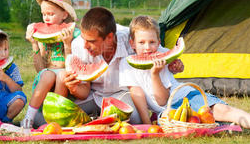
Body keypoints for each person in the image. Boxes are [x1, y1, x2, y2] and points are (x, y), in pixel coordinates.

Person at [119, 15, 250, 137]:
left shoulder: (163, 54)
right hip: (167, 113)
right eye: (141, 43)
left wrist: (167, 70)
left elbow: (163, 97)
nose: (148, 48)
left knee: (221, 110)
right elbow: (139, 95)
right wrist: (147, 125)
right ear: (132, 43)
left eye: (152, 42)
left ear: (159, 42)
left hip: (186, 95)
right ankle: (224, 126)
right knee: (196, 125)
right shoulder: (126, 65)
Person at [39, 7, 184, 126]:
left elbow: (156, 51)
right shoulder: (79, 45)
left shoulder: (130, 39)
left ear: (109, 38)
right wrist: (74, 88)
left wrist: (173, 63)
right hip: (93, 96)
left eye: (92, 41)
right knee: (40, 121)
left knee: (136, 119)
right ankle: (95, 119)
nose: (85, 45)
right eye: (84, 39)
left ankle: (94, 120)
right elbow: (84, 93)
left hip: (122, 94)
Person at [21, 0, 79, 128]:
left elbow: (72, 67)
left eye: (51, 14)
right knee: (47, 74)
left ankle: (56, 117)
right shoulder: (43, 37)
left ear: (65, 14)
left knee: (62, 75)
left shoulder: (75, 34)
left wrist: (67, 44)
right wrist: (34, 44)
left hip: (65, 80)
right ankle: (28, 117)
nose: (46, 18)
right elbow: (40, 69)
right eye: (43, 14)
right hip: (46, 80)